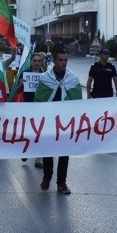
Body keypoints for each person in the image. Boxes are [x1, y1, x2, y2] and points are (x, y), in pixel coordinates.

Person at [34, 46, 83, 194]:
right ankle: (47, 177)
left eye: (65, 60)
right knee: (48, 150)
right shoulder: (45, 79)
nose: (63, 63)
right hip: (49, 120)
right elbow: (38, 100)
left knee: (64, 152)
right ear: (54, 61)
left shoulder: (73, 79)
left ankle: (62, 181)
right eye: (60, 60)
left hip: (66, 122)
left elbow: (78, 102)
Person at [14, 51, 46, 169]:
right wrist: (21, 84)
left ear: (41, 62)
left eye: (39, 61)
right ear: (31, 62)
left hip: (40, 107)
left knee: (40, 132)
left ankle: (38, 159)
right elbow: (17, 91)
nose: (36, 63)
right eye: (34, 61)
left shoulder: (46, 74)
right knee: (28, 132)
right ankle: (26, 151)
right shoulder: (25, 73)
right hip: (28, 107)